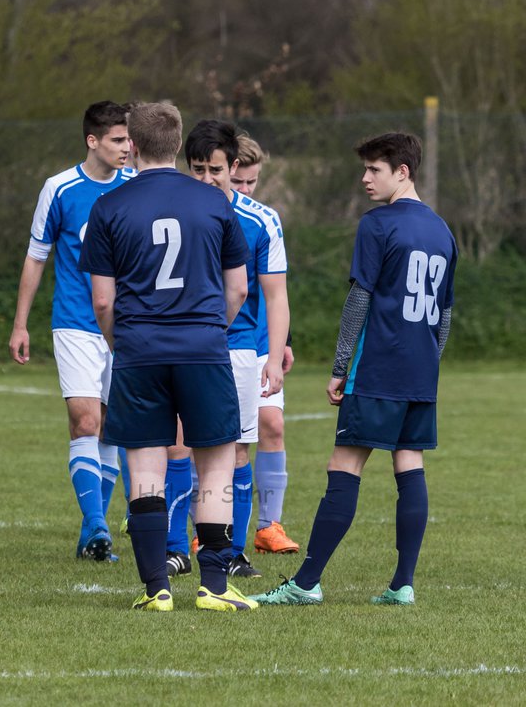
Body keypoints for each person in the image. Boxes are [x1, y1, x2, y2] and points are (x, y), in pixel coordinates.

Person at [251, 132, 456, 607]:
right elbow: (444, 315)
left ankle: (305, 583)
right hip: (420, 372)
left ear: (402, 172)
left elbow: (359, 299)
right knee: (409, 462)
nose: (364, 179)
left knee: (345, 463)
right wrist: (429, 363)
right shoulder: (443, 231)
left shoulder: (379, 223)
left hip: (378, 367)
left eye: (374, 170)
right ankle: (402, 585)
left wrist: (341, 366)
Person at [79, 101, 257, 612]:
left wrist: (122, 342)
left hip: (139, 351)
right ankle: (216, 588)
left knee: (146, 470)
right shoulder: (214, 202)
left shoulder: (109, 207)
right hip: (203, 348)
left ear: (131, 145)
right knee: (217, 467)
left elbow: (103, 300)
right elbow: (239, 289)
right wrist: (207, 330)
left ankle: (157, 588)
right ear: (178, 145)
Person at [9, 101, 134, 562]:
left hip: (128, 328)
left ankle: (91, 536)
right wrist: (21, 324)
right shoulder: (59, 188)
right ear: (93, 140)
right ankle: (99, 524)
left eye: (129, 139)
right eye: (119, 140)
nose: (127, 148)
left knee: (111, 431)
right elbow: (36, 256)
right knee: (86, 420)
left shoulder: (137, 187)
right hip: (76, 323)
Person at [184, 122, 289, 580]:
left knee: (238, 450)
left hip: (239, 351)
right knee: (180, 447)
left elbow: (275, 295)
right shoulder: (174, 210)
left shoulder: (260, 220)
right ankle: (178, 546)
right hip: (180, 345)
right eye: (199, 170)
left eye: (217, 170)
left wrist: (276, 352)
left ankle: (234, 549)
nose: (209, 179)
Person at [231, 136, 300, 555]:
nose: (243, 190)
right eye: (237, 180)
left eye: (251, 182)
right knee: (216, 438)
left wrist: (281, 345)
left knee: (272, 425)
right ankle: (210, 525)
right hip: (215, 341)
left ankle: (268, 526)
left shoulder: (261, 220)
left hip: (256, 340)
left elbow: (275, 290)